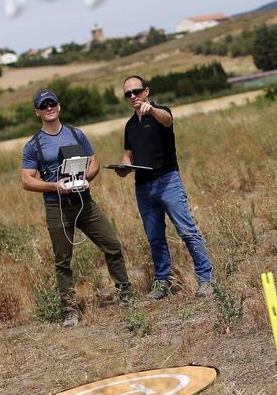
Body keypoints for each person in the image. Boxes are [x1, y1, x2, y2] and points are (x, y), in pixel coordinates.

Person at [21, 90, 134, 327]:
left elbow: (94, 162)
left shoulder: (76, 134)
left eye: (52, 103)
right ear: (37, 112)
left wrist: (86, 179)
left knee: (112, 245)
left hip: (85, 203)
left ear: (59, 107)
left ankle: (126, 294)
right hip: (57, 208)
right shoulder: (33, 146)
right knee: (63, 261)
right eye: (43, 105)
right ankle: (69, 310)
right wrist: (54, 186)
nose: (49, 107)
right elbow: (27, 180)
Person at [114, 76, 214, 300]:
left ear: (146, 91)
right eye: (127, 94)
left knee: (187, 230)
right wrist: (124, 167)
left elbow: (168, 120)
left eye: (136, 91)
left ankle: (206, 278)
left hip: (168, 180)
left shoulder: (160, 113)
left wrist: (152, 111)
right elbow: (128, 154)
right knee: (155, 236)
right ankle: (162, 281)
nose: (132, 96)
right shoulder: (130, 125)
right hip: (144, 186)